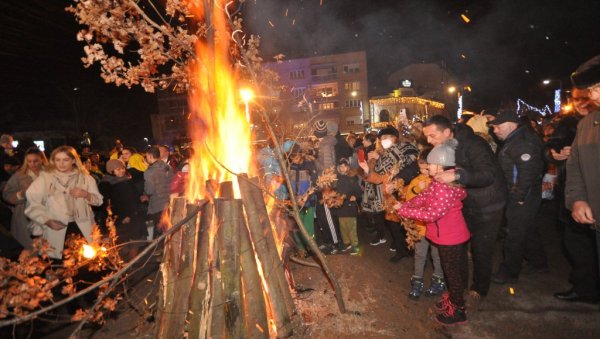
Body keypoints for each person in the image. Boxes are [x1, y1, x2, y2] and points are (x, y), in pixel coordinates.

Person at [423, 115, 507, 302]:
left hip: (488, 204)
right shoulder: (444, 146)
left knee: (480, 249)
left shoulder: (473, 144)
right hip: (465, 203)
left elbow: (487, 175)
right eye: (426, 137)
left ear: (446, 132)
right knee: (457, 246)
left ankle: (479, 288)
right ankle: (458, 288)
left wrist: (456, 176)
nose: (429, 141)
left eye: (432, 136)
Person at [397, 139, 469, 325]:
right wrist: (407, 204)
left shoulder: (445, 187)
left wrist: (404, 210)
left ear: (440, 165)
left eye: (430, 164)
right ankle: (453, 298)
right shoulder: (438, 181)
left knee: (452, 274)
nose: (427, 167)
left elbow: (433, 214)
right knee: (448, 270)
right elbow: (424, 196)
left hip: (451, 237)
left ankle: (458, 309)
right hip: (444, 235)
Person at [550, 89, 599, 303]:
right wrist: (554, 153)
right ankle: (585, 287)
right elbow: (553, 146)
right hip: (576, 195)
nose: (584, 101)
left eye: (585, 98)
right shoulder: (577, 123)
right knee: (576, 244)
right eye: (577, 99)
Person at [489, 109, 546, 284]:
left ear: (509, 125)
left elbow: (526, 174)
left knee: (514, 233)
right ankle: (539, 263)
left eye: (497, 127)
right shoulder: (514, 139)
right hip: (520, 194)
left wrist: (519, 197)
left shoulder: (522, 142)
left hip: (522, 195)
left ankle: (509, 270)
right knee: (526, 229)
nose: (495, 130)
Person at [24, 146, 103, 259]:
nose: (61, 164)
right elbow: (32, 203)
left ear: (73, 160)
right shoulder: (45, 179)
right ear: (53, 161)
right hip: (56, 228)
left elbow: (99, 201)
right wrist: (47, 220)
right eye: (58, 160)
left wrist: (86, 194)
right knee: (60, 265)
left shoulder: (85, 178)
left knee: (87, 263)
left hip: (82, 227)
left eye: (65, 160)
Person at [359, 126, 419, 262]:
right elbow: (379, 177)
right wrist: (368, 167)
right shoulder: (382, 154)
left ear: (395, 138)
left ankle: (414, 250)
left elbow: (413, 164)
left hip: (406, 191)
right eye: (382, 138)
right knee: (393, 224)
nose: (385, 140)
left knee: (409, 223)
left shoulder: (405, 147)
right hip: (389, 194)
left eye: (388, 137)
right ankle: (401, 250)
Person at [566, 54, 600, 287]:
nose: (593, 97)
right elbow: (576, 164)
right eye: (592, 90)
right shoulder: (587, 123)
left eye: (597, 89)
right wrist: (577, 198)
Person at [403, 149, 446, 300]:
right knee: (420, 254)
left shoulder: (440, 182)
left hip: (435, 228)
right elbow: (408, 199)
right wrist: (416, 189)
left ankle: (438, 279)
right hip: (420, 227)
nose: (423, 171)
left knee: (436, 255)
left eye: (426, 168)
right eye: (420, 168)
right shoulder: (417, 181)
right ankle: (417, 280)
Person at [99, 159, 147, 260]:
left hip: (134, 215)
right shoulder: (106, 184)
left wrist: (140, 198)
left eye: (122, 168)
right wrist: (123, 216)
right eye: (118, 169)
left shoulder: (127, 180)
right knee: (121, 242)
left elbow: (133, 196)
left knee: (135, 240)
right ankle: (121, 265)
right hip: (119, 218)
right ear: (111, 171)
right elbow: (109, 204)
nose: (121, 171)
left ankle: (133, 263)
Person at [2, 147, 48, 249]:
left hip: (48, 213)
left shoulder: (49, 174)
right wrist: (20, 195)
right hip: (25, 216)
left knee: (49, 246)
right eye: (29, 161)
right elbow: (6, 194)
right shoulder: (20, 176)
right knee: (31, 247)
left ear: (42, 159)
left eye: (35, 161)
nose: (32, 164)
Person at [140, 146, 174, 236]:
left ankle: (151, 242)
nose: (146, 159)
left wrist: (145, 195)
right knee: (167, 226)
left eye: (146, 156)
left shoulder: (149, 172)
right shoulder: (168, 167)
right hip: (169, 202)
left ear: (150, 156)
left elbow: (149, 190)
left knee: (151, 225)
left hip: (156, 204)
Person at [332, 158, 362, 255]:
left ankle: (355, 244)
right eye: (340, 166)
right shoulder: (337, 179)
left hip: (350, 206)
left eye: (344, 166)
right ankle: (346, 243)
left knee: (351, 227)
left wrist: (355, 196)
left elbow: (359, 191)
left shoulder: (352, 178)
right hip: (340, 207)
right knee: (343, 226)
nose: (342, 168)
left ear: (348, 167)